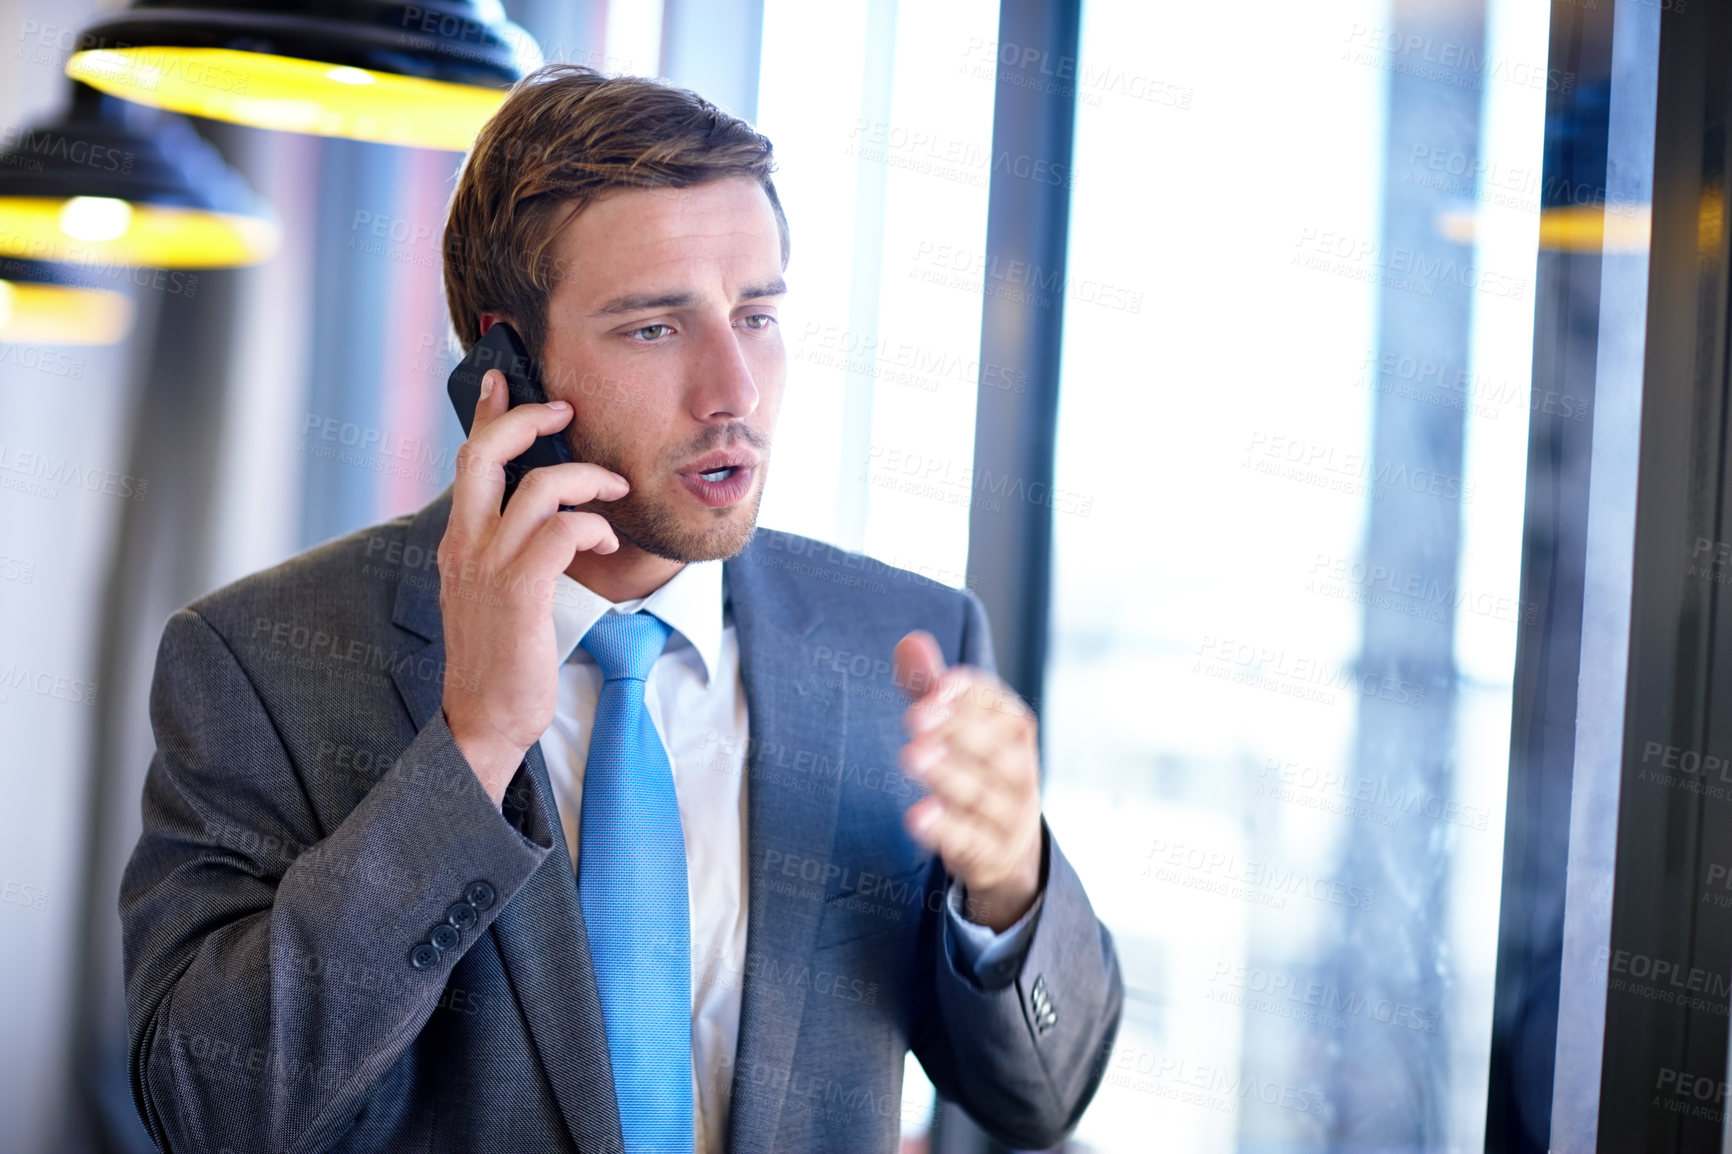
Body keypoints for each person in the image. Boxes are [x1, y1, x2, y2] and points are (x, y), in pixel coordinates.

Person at [120, 63, 1122, 1154]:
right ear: (503, 366)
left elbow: (1042, 1095)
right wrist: (470, 749)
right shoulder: (258, 662)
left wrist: (1010, 883)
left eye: (758, 314)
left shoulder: (894, 643)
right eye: (655, 327)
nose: (733, 388)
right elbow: (208, 1111)